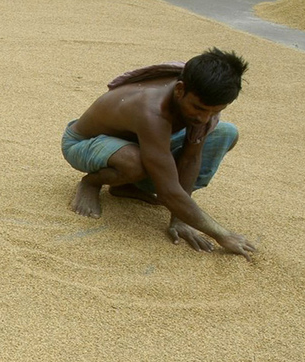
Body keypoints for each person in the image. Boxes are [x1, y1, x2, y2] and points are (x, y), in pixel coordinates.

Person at [61, 48, 256, 260]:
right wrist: (222, 234)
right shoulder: (151, 110)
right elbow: (168, 191)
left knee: (225, 133)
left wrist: (179, 219)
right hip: (83, 144)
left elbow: (190, 159)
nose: (204, 117)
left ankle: (124, 186)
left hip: (138, 143)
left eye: (214, 110)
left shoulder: (197, 95)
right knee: (136, 163)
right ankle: (92, 182)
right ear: (180, 90)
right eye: (199, 108)